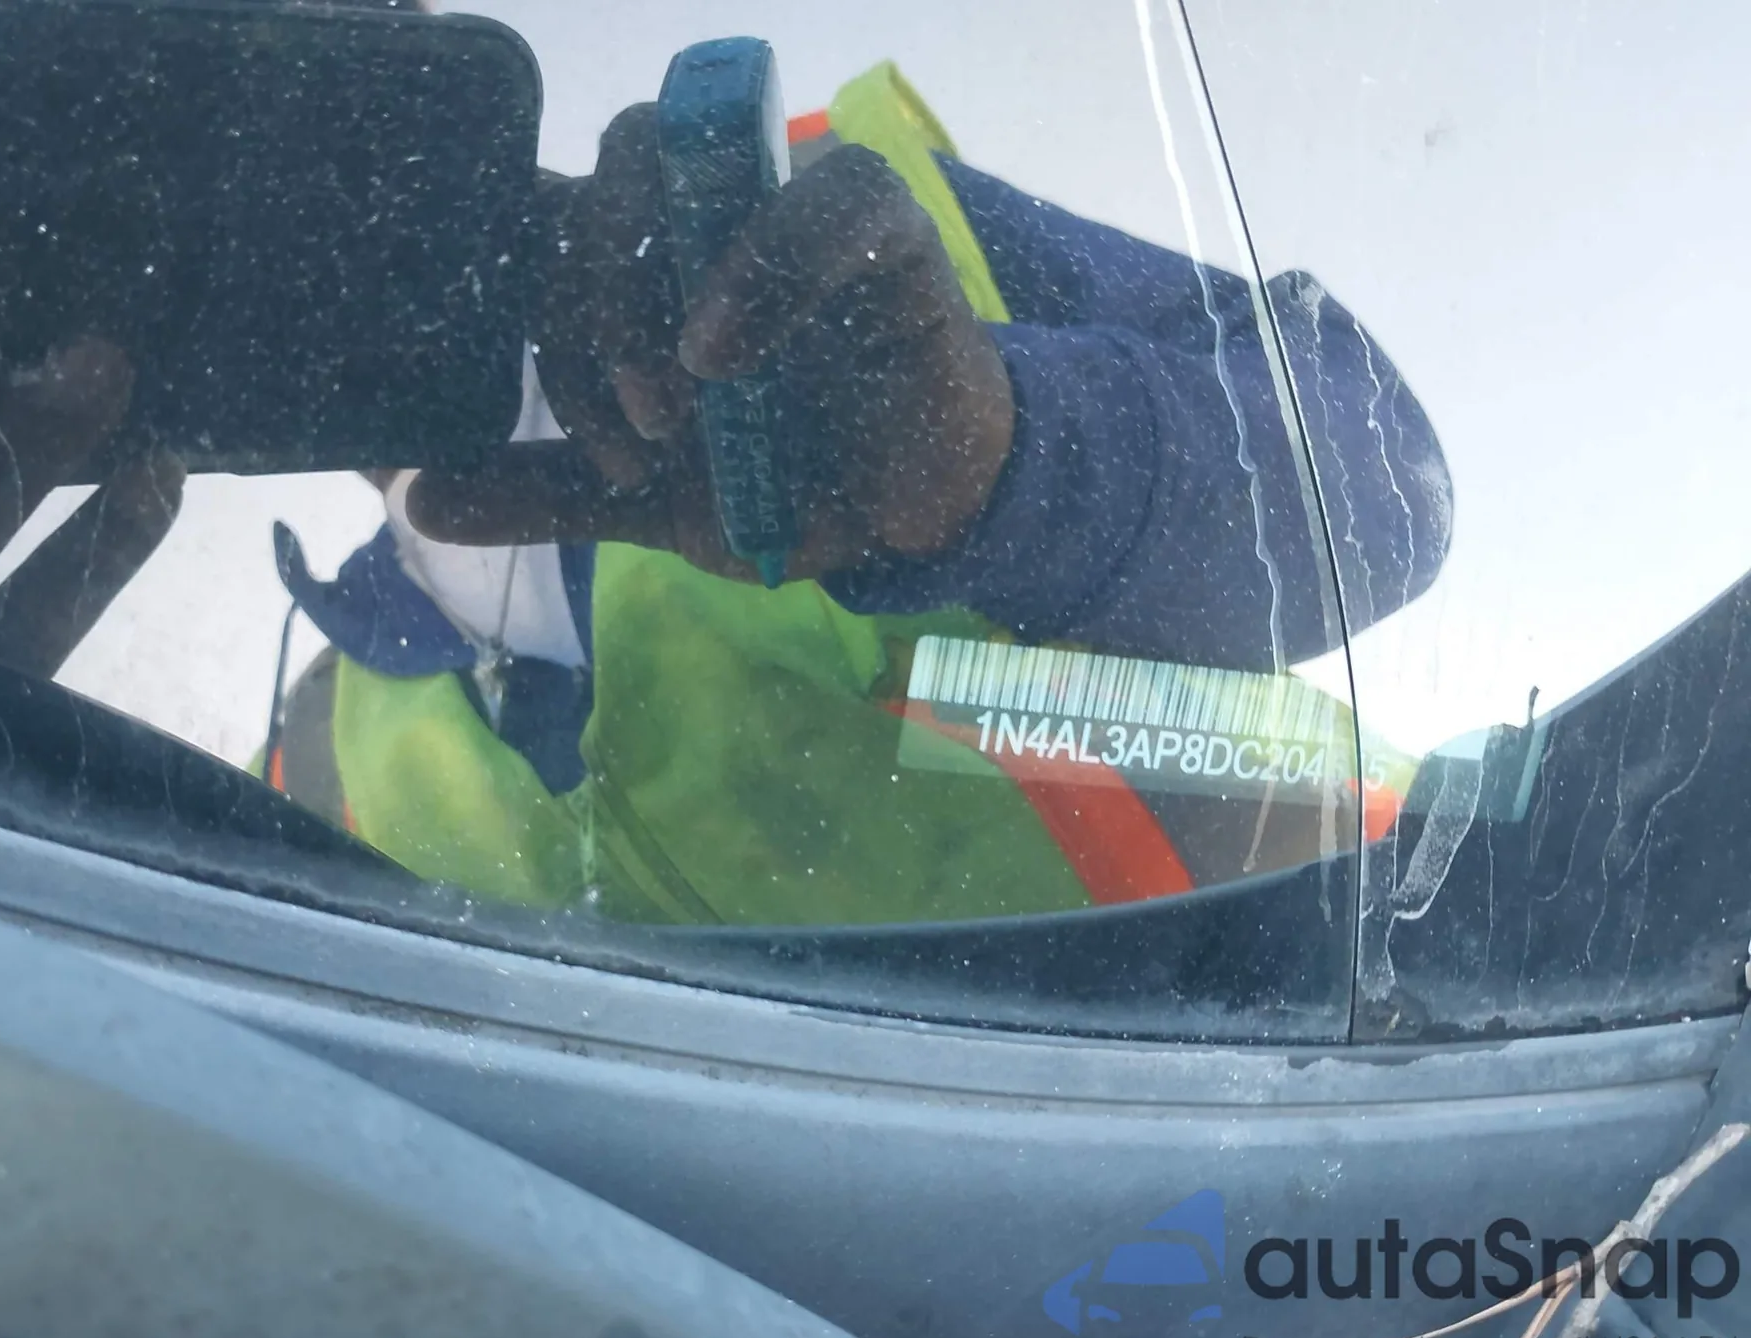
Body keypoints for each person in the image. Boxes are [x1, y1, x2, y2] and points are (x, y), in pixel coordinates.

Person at [265, 62, 1453, 924]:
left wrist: (1016, 451)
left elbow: (1381, 482)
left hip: (1386, 1024)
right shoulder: (304, 771)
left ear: (410, 51)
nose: (268, 205)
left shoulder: (818, 235)